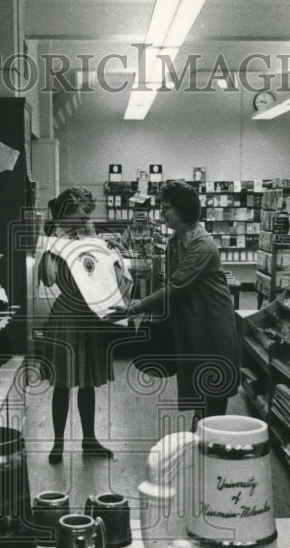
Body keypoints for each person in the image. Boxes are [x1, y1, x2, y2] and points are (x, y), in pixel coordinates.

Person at [117, 180, 240, 421]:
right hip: (192, 324)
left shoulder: (202, 245)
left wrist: (135, 308)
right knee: (198, 387)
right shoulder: (175, 241)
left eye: (166, 207)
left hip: (212, 325)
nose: (162, 213)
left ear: (183, 209)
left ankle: (208, 440)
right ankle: (199, 436)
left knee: (213, 388)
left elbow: (176, 286)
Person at [37, 186, 126, 464]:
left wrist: (107, 250)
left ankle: (89, 440)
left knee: (88, 382)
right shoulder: (53, 240)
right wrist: (53, 247)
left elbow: (101, 273)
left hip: (91, 313)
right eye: (83, 213)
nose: (88, 218)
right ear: (66, 213)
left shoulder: (88, 235)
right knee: (63, 383)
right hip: (68, 314)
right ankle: (58, 443)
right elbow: (49, 279)